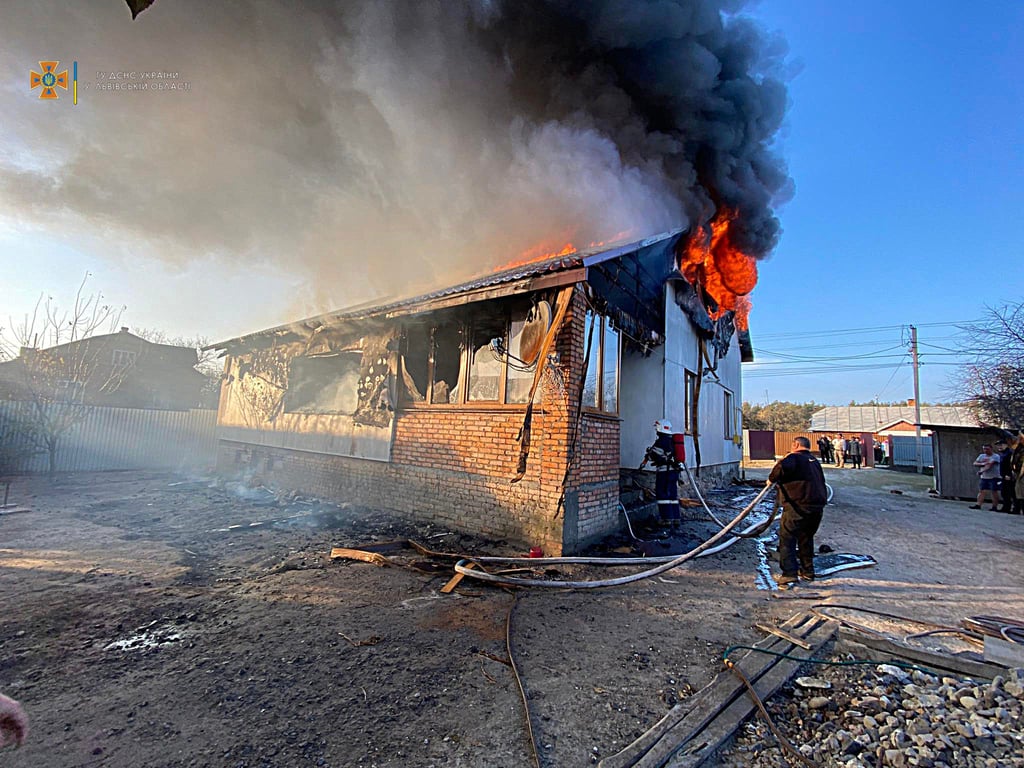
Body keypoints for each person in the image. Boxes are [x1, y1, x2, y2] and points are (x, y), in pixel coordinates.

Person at [768, 436, 828, 585]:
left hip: (797, 505)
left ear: (795, 445)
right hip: (816, 507)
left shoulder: (793, 458)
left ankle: (789, 573)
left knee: (787, 539)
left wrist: (772, 479)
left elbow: (781, 469)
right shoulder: (814, 462)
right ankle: (807, 572)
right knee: (806, 538)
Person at [645, 419, 681, 527]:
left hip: (664, 473)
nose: (656, 429)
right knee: (672, 495)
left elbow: (653, 455)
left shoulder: (661, 441)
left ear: (660, 428)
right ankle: (676, 518)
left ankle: (666, 519)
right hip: (674, 472)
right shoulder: (672, 440)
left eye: (656, 427)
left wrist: (649, 453)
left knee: (662, 494)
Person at [970, 444, 1002, 510]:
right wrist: (982, 464)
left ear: (991, 449)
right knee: (982, 491)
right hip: (984, 477)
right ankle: (978, 504)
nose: (985, 450)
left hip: (994, 477)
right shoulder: (982, 456)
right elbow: (975, 463)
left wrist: (982, 471)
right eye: (984, 449)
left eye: (987, 449)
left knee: (994, 491)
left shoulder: (996, 456)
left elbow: (989, 465)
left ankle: (994, 506)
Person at [996, 439, 1015, 513]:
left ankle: (1015, 508)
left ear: (1006, 445)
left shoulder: (1009, 453)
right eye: (998, 445)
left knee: (1012, 493)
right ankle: (1006, 507)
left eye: (1001, 445)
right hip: (1004, 476)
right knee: (1004, 493)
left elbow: (1012, 465)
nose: (999, 447)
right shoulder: (1003, 454)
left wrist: (1010, 474)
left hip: (1009, 476)